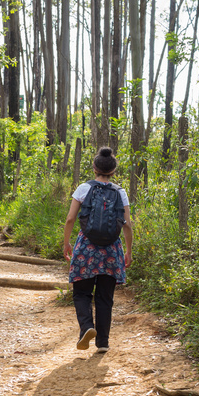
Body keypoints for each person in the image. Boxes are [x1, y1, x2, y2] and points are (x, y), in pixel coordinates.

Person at [62, 146, 133, 353]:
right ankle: (103, 342)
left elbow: (70, 218)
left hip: (86, 247)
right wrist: (128, 251)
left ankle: (87, 327)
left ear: (94, 168)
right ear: (113, 171)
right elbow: (127, 224)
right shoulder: (120, 192)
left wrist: (67, 242)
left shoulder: (84, 188)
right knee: (105, 297)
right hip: (112, 250)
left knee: (82, 293)